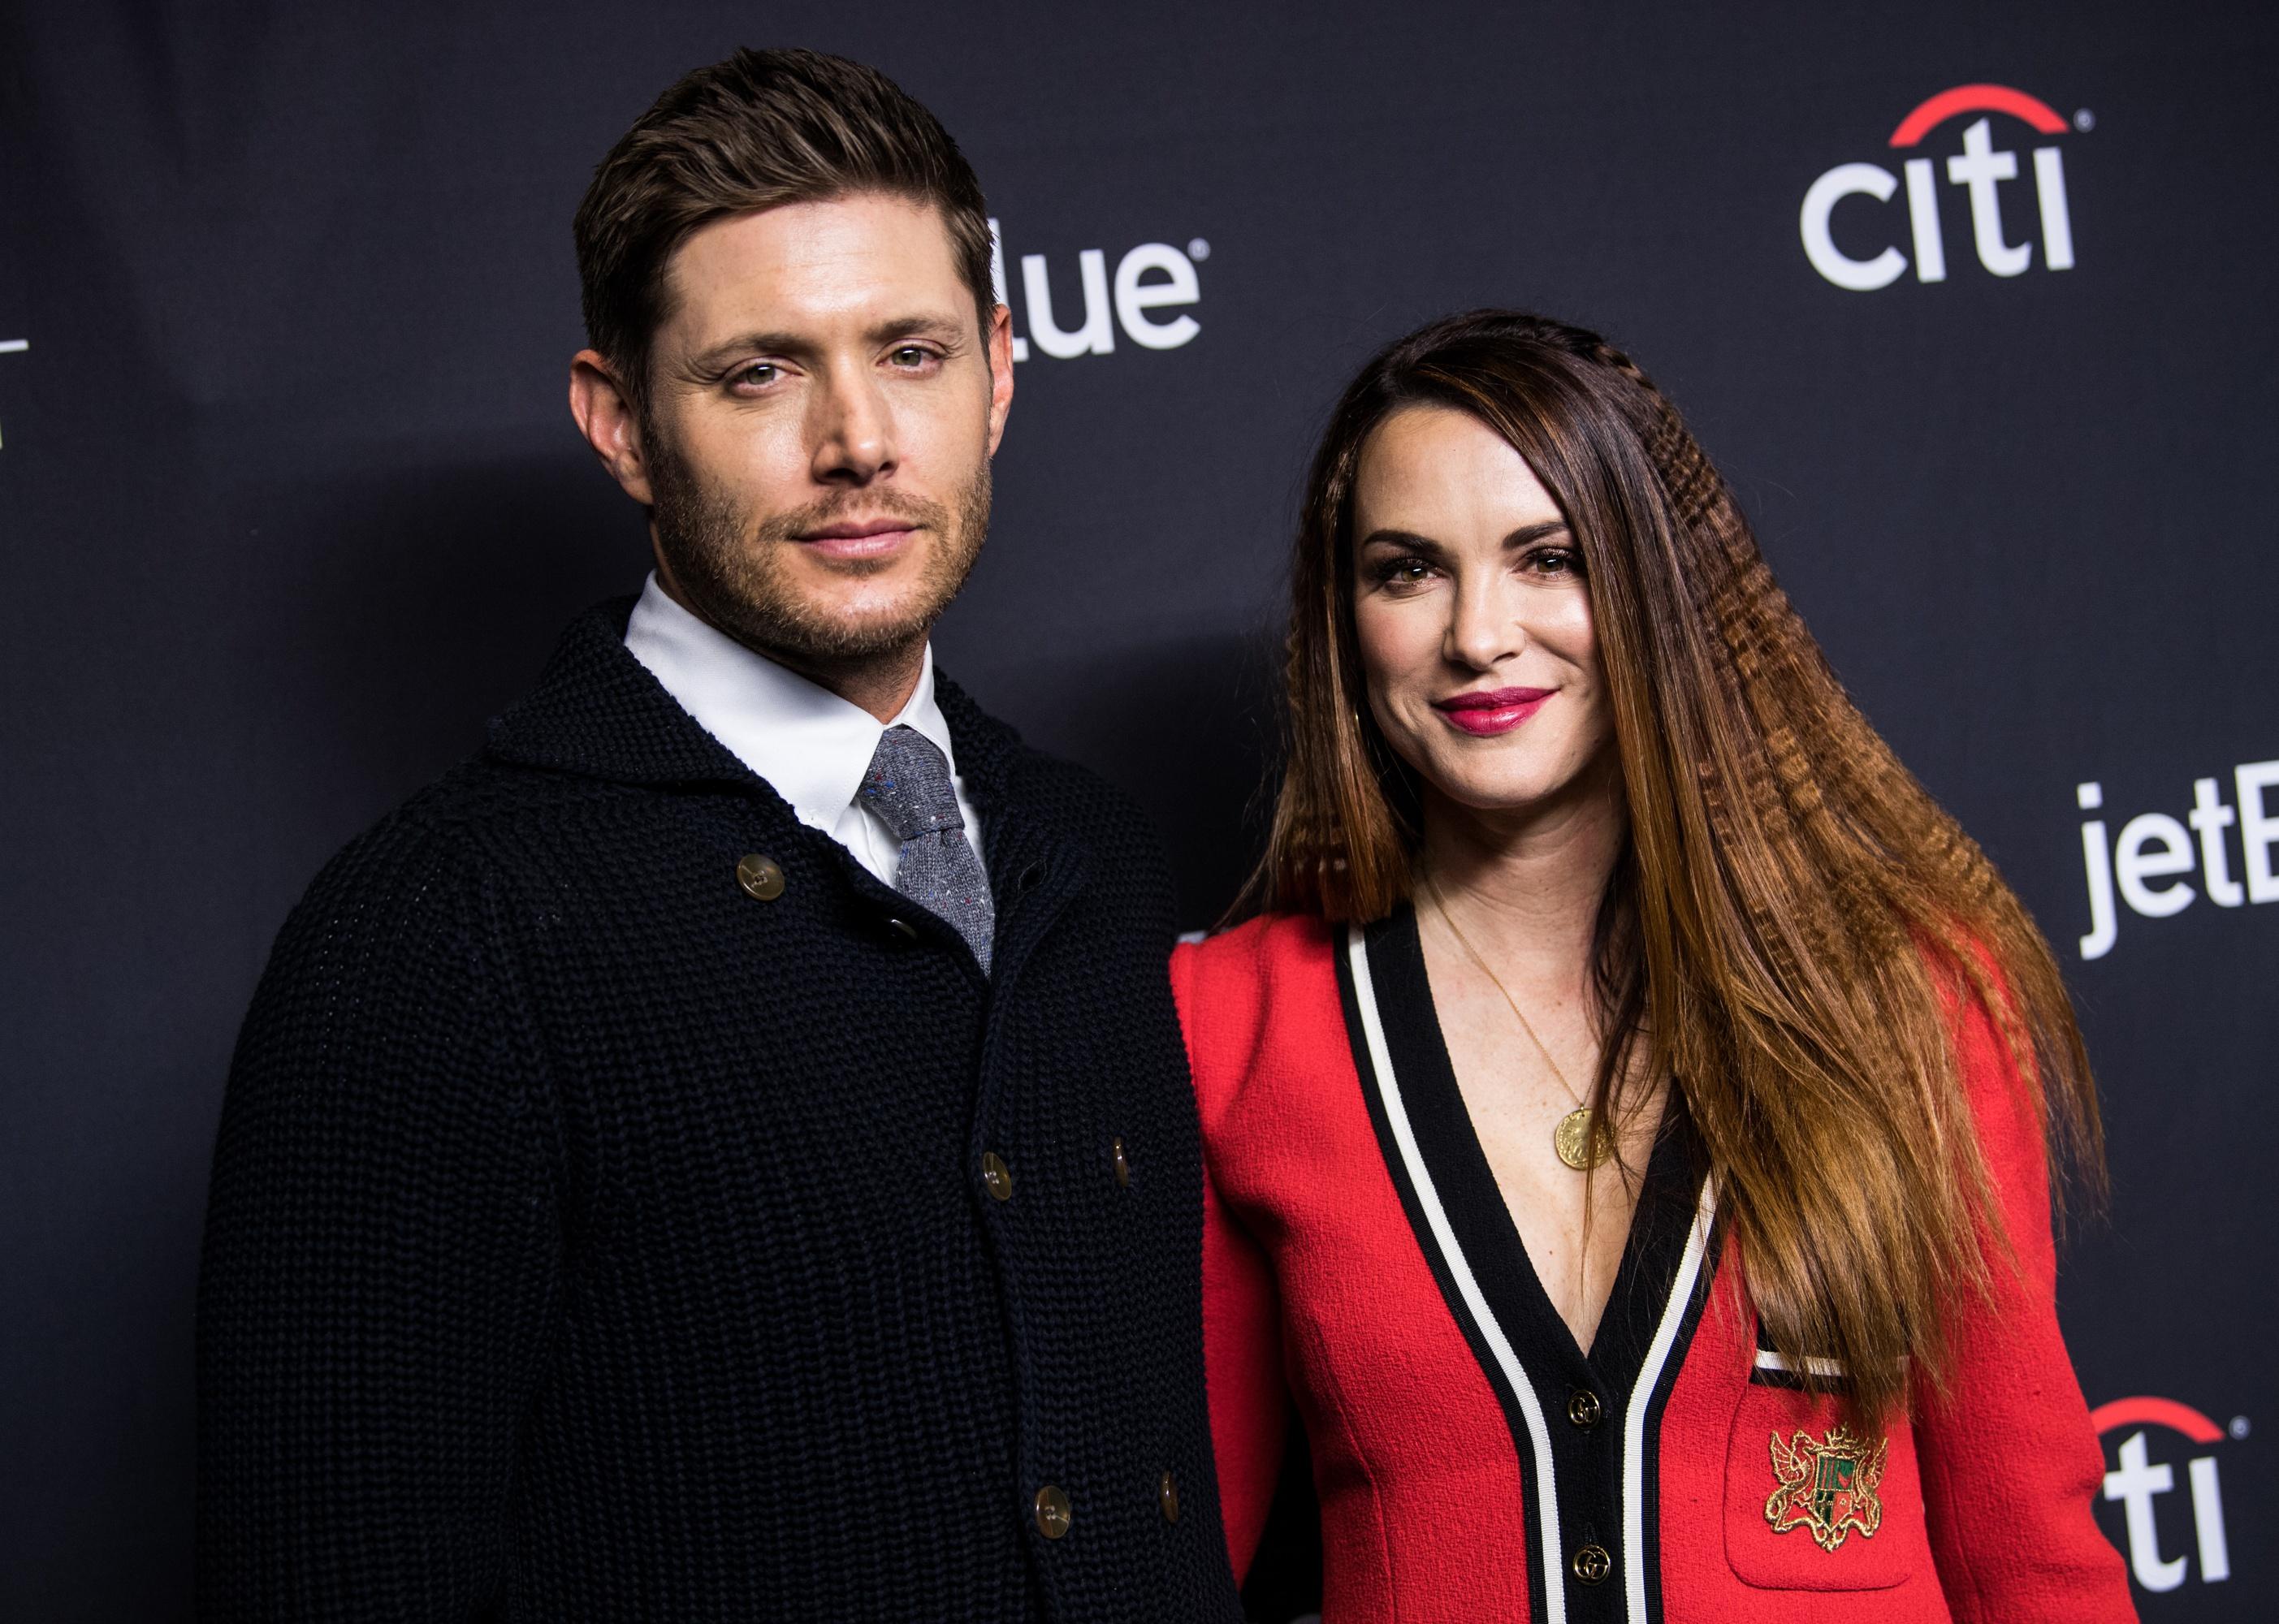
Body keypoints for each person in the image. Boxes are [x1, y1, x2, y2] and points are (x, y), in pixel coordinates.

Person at [197, 48, 1244, 1622]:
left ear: (1000, 376)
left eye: (910, 352)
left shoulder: (1088, 855)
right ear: (617, 423)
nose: (856, 441)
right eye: (759, 371)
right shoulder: (435, 938)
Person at [1176, 310, 2136, 1622]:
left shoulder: (1904, 994)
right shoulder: (1235, 1021)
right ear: (1342, 622)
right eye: (1406, 571)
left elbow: (2024, 1544)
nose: (1477, 635)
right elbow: (1177, 1549)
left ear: (1654, 582)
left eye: (1547, 557)